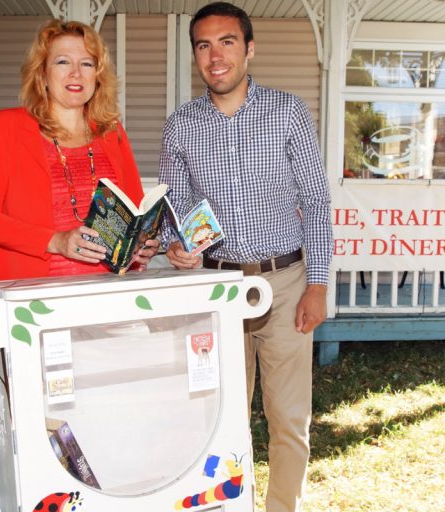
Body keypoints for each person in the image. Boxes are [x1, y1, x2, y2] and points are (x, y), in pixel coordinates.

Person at [158, 3, 333, 511]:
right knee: (218, 415)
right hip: (216, 288)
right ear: (195, 54)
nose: (216, 56)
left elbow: (316, 201)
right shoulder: (180, 126)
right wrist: (177, 245)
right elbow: (177, 209)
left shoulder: (288, 112)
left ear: (249, 48)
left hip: (286, 282)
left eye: (227, 42)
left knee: (288, 417)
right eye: (204, 45)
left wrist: (318, 285)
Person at [0, 19, 158, 281]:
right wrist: (56, 241)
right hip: (36, 293)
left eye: (87, 63)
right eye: (62, 62)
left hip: (110, 290)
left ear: (98, 76)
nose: (76, 73)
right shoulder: (5, 126)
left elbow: (135, 209)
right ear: (42, 74)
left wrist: (141, 242)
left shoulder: (111, 131)